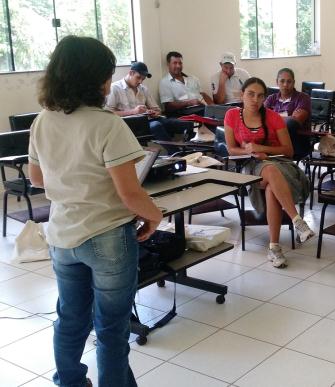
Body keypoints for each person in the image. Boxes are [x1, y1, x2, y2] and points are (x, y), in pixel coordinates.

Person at [28, 36, 162, 386]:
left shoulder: (43, 119)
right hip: (107, 239)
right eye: (106, 74)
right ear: (94, 78)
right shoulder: (107, 124)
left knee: (71, 318)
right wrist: (156, 215)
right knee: (111, 328)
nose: (109, 82)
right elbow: (131, 194)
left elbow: (38, 178)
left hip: (62, 236)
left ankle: (70, 380)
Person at [224, 77, 314, 268]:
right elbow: (231, 149)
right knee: (270, 172)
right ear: (242, 95)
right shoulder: (231, 115)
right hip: (249, 165)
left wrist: (262, 149)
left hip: (279, 163)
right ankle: (297, 221)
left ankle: (274, 248)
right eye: (251, 94)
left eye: (260, 95)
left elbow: (288, 151)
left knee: (272, 183)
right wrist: (249, 150)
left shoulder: (273, 117)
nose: (255, 99)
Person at [106, 61, 193, 154]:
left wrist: (154, 112)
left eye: (142, 79)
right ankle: (176, 152)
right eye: (138, 78)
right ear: (131, 73)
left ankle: (190, 150)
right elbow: (109, 113)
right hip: (130, 123)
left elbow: (157, 109)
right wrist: (133, 111)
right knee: (156, 126)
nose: (140, 81)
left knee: (185, 123)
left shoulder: (143, 89)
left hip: (147, 119)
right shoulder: (115, 88)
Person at [264, 68, 312, 158]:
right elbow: (261, 116)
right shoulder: (271, 98)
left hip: (297, 141)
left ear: (293, 82)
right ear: (277, 82)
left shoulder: (303, 98)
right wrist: (288, 117)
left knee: (290, 123)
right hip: (271, 141)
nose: (285, 85)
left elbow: (295, 121)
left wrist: (272, 117)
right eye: (282, 81)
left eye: (289, 82)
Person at [159, 51, 212, 116]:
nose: (178, 66)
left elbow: (202, 94)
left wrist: (214, 106)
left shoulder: (193, 78)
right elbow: (168, 107)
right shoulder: (165, 82)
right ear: (168, 64)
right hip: (183, 112)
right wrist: (189, 103)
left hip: (202, 108)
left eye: (180, 63)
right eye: (175, 63)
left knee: (220, 112)